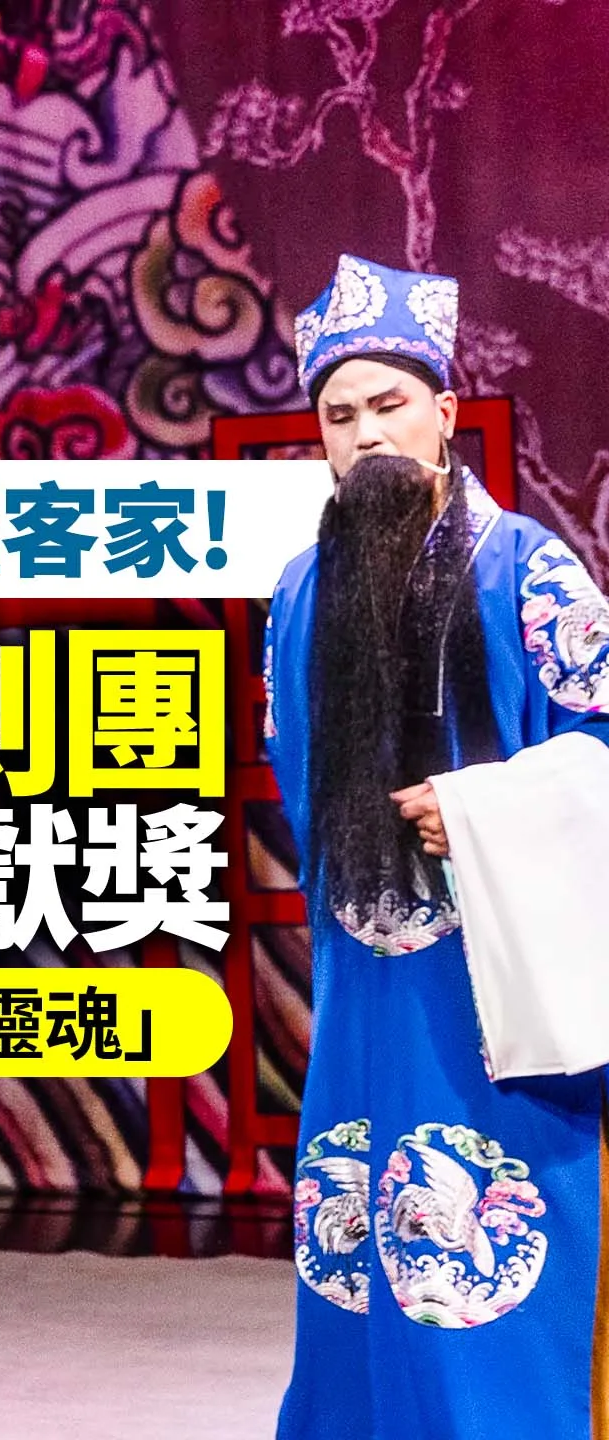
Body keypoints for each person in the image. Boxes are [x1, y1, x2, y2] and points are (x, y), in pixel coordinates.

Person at [270, 254, 609, 1437]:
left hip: (500, 992)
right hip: (361, 984)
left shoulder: (528, 570)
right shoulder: (301, 590)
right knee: (353, 1248)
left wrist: (480, 812)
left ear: (446, 412)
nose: (368, 433)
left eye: (390, 404)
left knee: (478, 1265)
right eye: (340, 415)